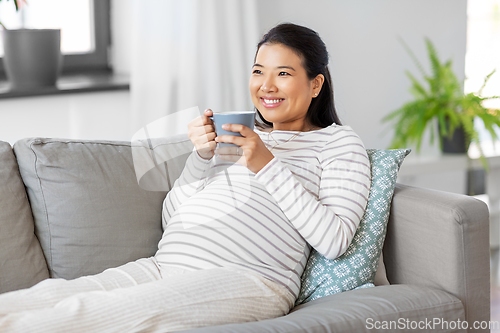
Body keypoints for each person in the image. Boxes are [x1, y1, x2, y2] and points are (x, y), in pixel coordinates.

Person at [0, 23, 370, 332]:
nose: (266, 86)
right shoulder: (242, 134)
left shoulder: (337, 142)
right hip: (166, 266)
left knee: (80, 316)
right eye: (258, 71)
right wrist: (201, 156)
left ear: (316, 84)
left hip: (249, 279)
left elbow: (334, 239)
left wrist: (266, 163)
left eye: (283, 74)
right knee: (45, 298)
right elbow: (174, 218)